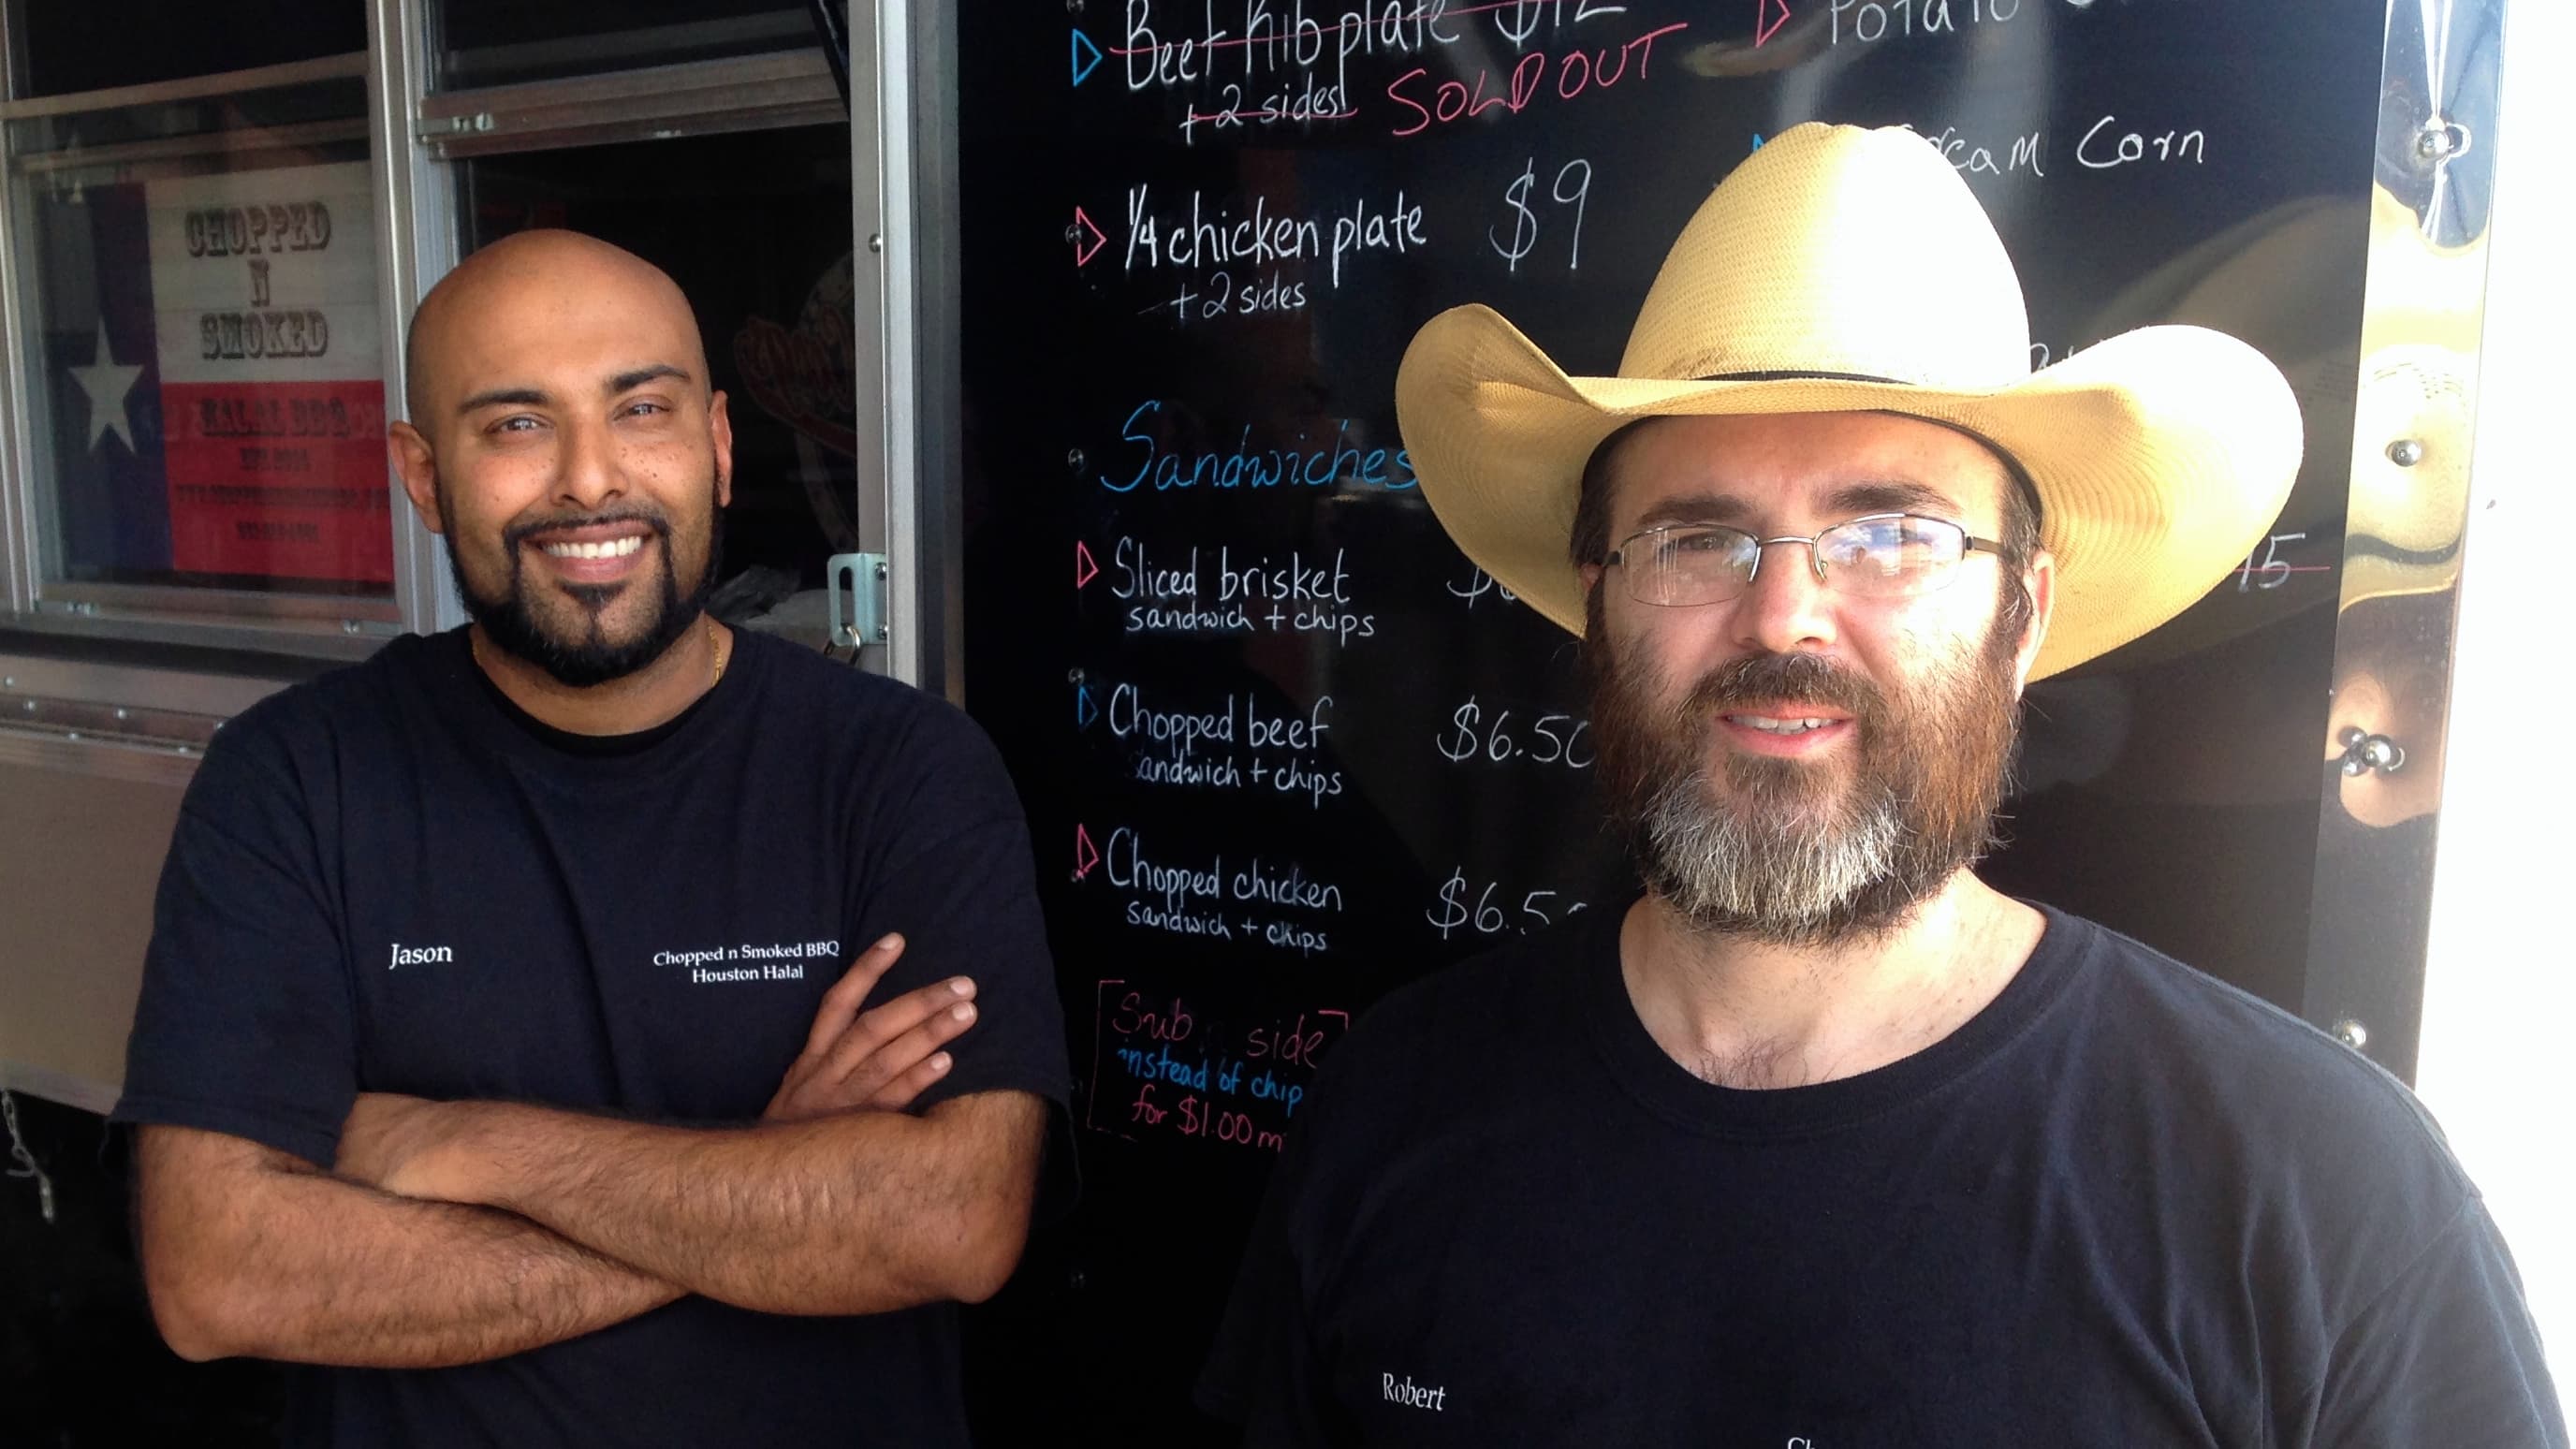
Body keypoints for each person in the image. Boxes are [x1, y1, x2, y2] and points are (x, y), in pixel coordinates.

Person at [1197, 124, 2566, 1444]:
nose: (1784, 615)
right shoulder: (1395, 1106)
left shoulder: (2323, 1195)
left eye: (1891, 535)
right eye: (1699, 542)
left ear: (2021, 618)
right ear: (1598, 606)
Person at [115, 229, 1069, 1447]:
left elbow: (953, 1225)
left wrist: (466, 1142)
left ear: (718, 446)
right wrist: (766, 1174)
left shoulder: (901, 771)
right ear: (421, 475)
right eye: (516, 425)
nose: (588, 479)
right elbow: (220, 1275)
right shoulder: (296, 782)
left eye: (643, 410)